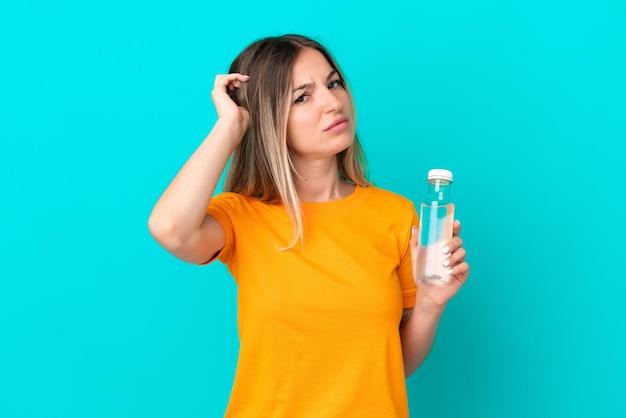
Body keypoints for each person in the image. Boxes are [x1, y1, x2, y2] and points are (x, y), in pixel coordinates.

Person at [148, 34, 470, 418]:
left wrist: (431, 304)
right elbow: (170, 228)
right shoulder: (242, 215)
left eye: (333, 83)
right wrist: (231, 126)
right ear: (268, 119)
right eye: (303, 97)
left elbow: (388, 367)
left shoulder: (396, 216)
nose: (333, 103)